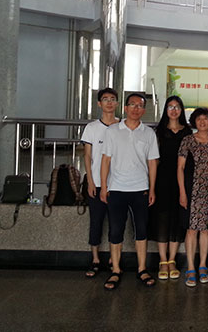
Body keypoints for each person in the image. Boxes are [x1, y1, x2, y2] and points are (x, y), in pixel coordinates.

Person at [100, 93, 159, 291]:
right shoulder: (113, 131)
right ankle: (116, 269)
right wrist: (104, 187)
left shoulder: (148, 133)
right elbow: (106, 160)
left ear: (144, 110)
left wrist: (152, 188)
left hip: (140, 188)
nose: (136, 108)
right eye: (132, 105)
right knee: (115, 230)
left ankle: (142, 269)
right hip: (117, 188)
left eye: (140, 105)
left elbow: (152, 163)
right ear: (125, 108)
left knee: (141, 230)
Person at [147, 96, 192, 281]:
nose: (174, 110)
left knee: (177, 219)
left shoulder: (187, 132)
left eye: (177, 107)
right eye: (170, 107)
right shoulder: (158, 132)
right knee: (162, 218)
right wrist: (151, 186)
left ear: (182, 110)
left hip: (181, 180)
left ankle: (172, 259)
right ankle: (162, 260)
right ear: (165, 109)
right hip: (162, 180)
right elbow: (153, 160)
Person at [178, 107, 208, 288]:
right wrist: (182, 192)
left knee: (205, 230)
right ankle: (190, 267)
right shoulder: (187, 140)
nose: (202, 122)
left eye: (206, 118)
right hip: (191, 189)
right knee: (191, 230)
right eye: (199, 119)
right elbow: (180, 168)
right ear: (194, 121)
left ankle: (203, 265)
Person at [81, 87, 120, 278]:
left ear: (117, 103)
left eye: (112, 99)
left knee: (116, 223)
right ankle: (95, 259)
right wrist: (89, 181)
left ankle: (114, 260)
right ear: (99, 103)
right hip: (96, 183)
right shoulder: (91, 128)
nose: (109, 102)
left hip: (118, 184)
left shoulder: (123, 126)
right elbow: (87, 157)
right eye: (105, 99)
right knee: (96, 222)